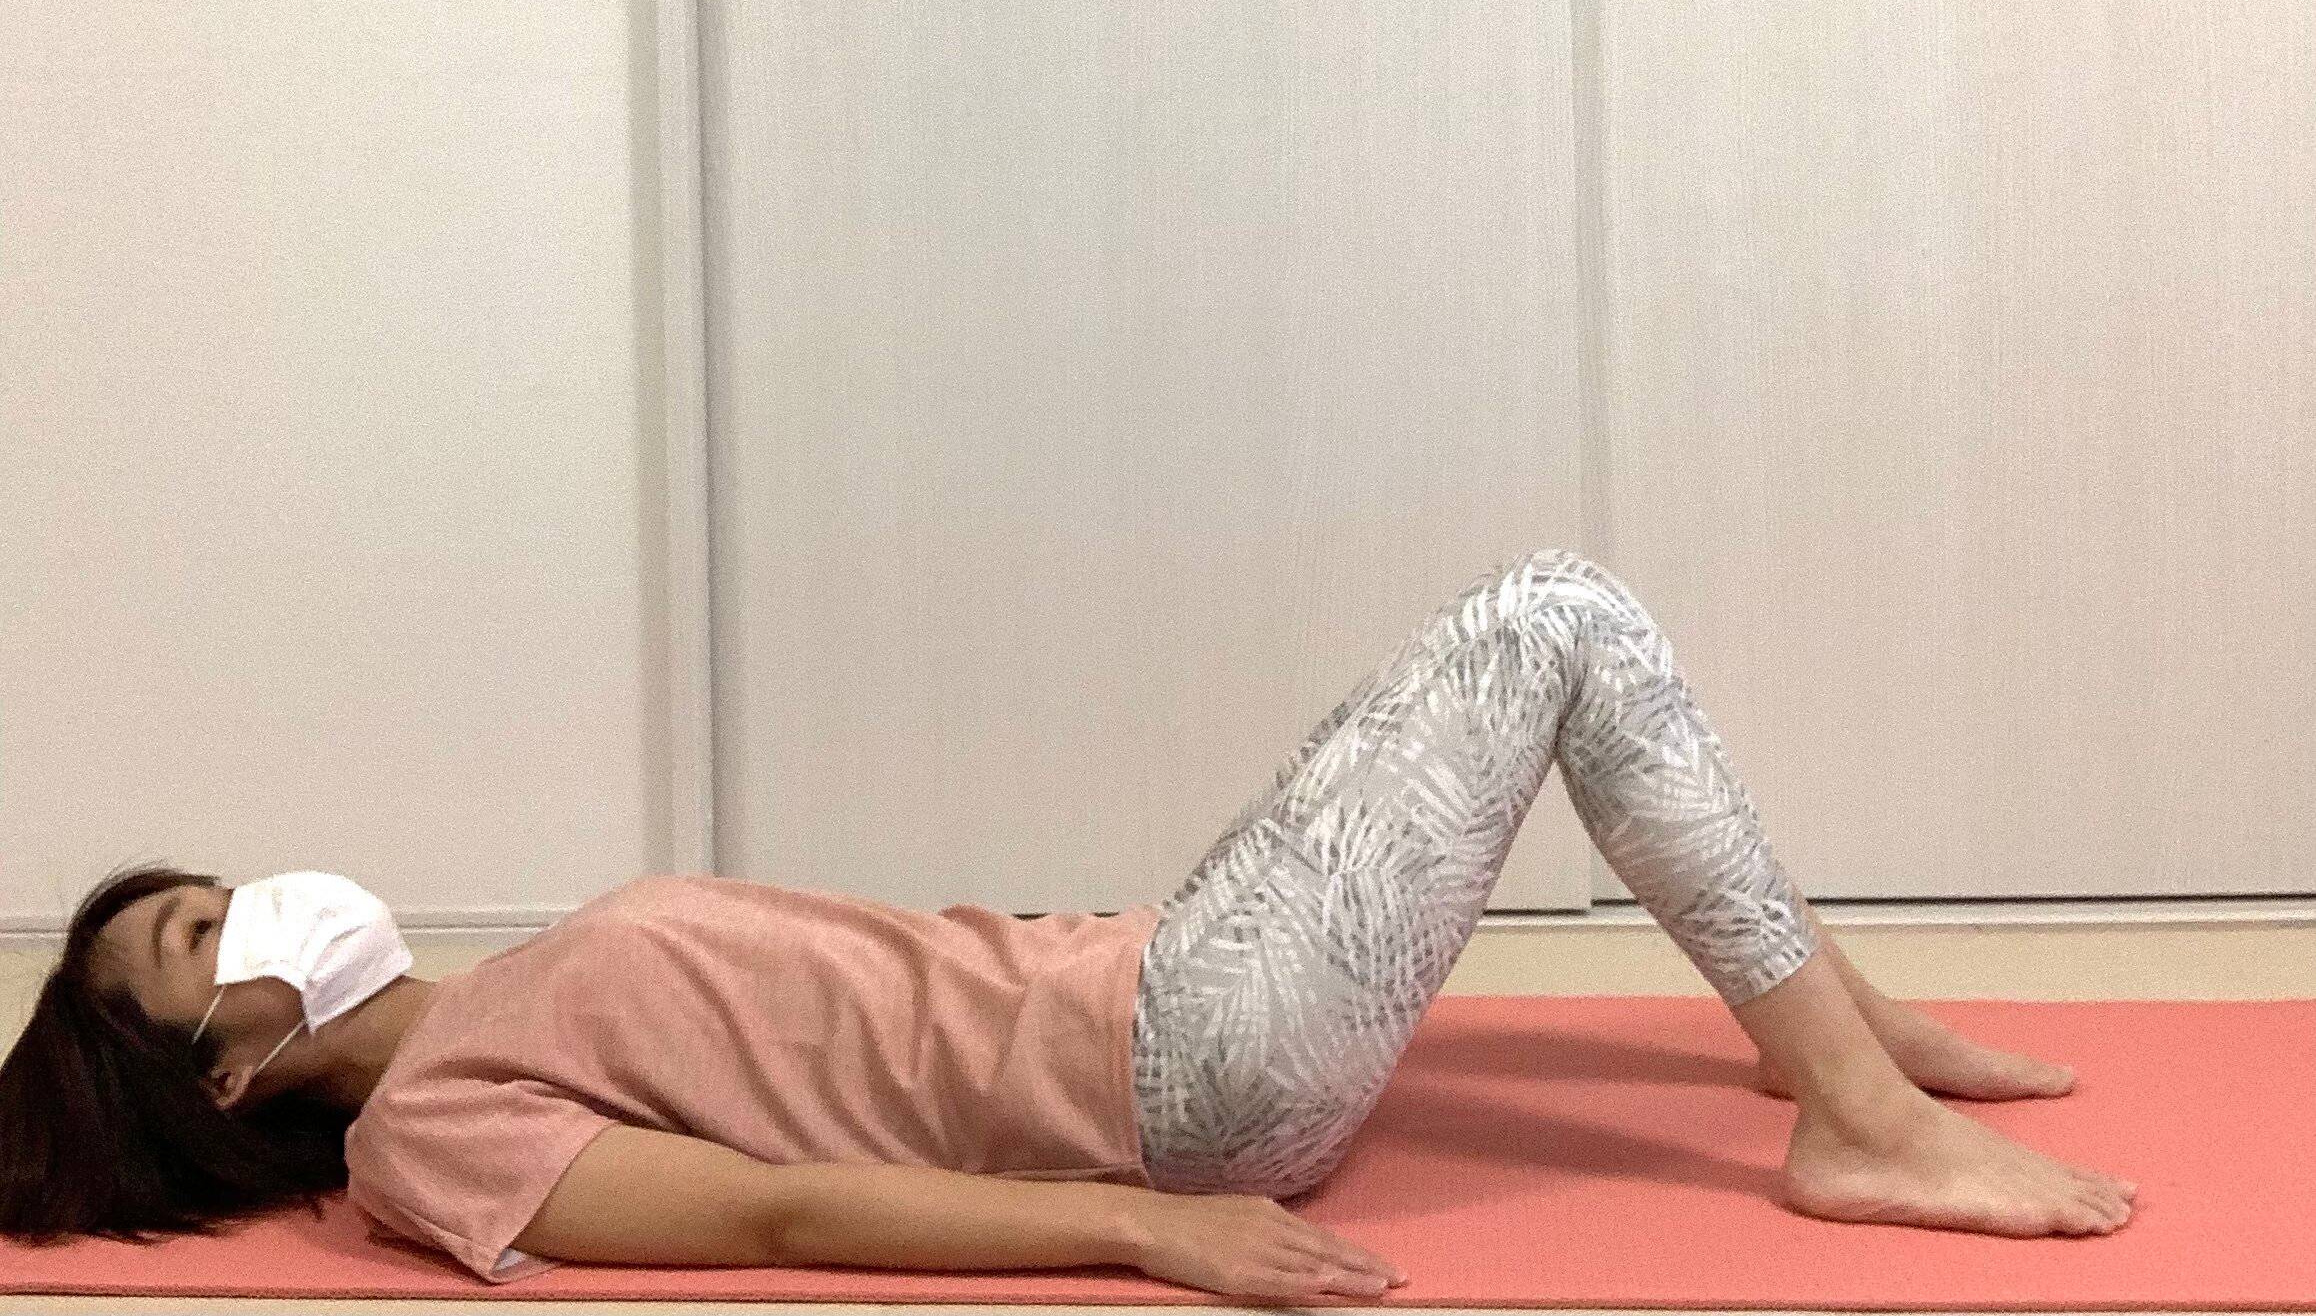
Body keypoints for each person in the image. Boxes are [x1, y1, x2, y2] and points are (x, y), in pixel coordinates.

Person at [0, 548, 2135, 1298]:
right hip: (1179, 1073)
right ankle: (1854, 1112)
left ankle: (1829, 1027)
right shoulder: (425, 1134)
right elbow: (773, 1215)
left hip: (1151, 972)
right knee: (1560, 619)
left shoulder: (498, 987)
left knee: (1535, 652)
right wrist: (1141, 1230)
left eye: (214, 884)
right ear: (228, 1071)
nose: (254, 902)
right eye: (204, 939)